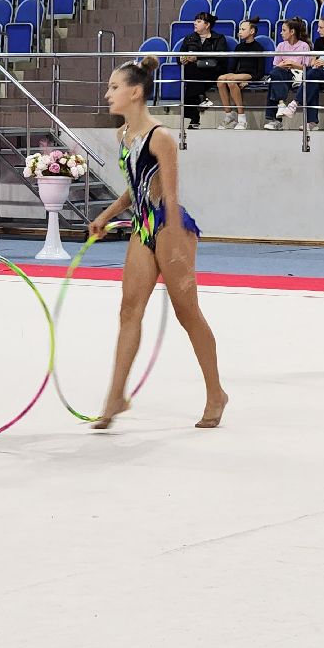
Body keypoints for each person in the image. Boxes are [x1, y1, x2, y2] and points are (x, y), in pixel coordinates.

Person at [85, 56, 227, 429]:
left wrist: (176, 242)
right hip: (142, 225)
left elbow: (172, 194)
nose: (108, 94)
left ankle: (216, 393)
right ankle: (116, 396)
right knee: (128, 310)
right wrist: (105, 215)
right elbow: (134, 189)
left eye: (114, 87)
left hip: (169, 225)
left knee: (187, 312)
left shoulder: (160, 137)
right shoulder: (122, 135)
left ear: (135, 92)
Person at [177, 11, 229, 130]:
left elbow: (219, 58)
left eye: (199, 21)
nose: (195, 23)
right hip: (194, 72)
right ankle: (201, 98)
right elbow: (179, 55)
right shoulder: (189, 38)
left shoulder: (219, 38)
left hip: (212, 70)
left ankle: (195, 117)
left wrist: (197, 58)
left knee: (191, 82)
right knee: (191, 71)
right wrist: (182, 59)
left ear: (207, 25)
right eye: (195, 21)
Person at [263, 17, 312, 130]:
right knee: (275, 74)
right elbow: (276, 65)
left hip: (297, 75)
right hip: (283, 74)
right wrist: (283, 65)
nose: (281, 33)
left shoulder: (304, 46)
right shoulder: (281, 45)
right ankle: (280, 105)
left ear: (292, 32)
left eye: (284, 30)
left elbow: (306, 67)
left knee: (275, 80)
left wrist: (293, 64)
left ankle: (276, 119)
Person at [217, 18, 264, 130]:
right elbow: (232, 68)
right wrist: (232, 75)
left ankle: (242, 118)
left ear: (252, 31)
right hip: (237, 75)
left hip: (250, 75)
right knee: (220, 80)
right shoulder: (239, 47)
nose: (240, 32)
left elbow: (260, 72)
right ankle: (229, 115)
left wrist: (248, 81)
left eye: (243, 29)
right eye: (239, 29)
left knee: (231, 80)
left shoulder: (258, 48)